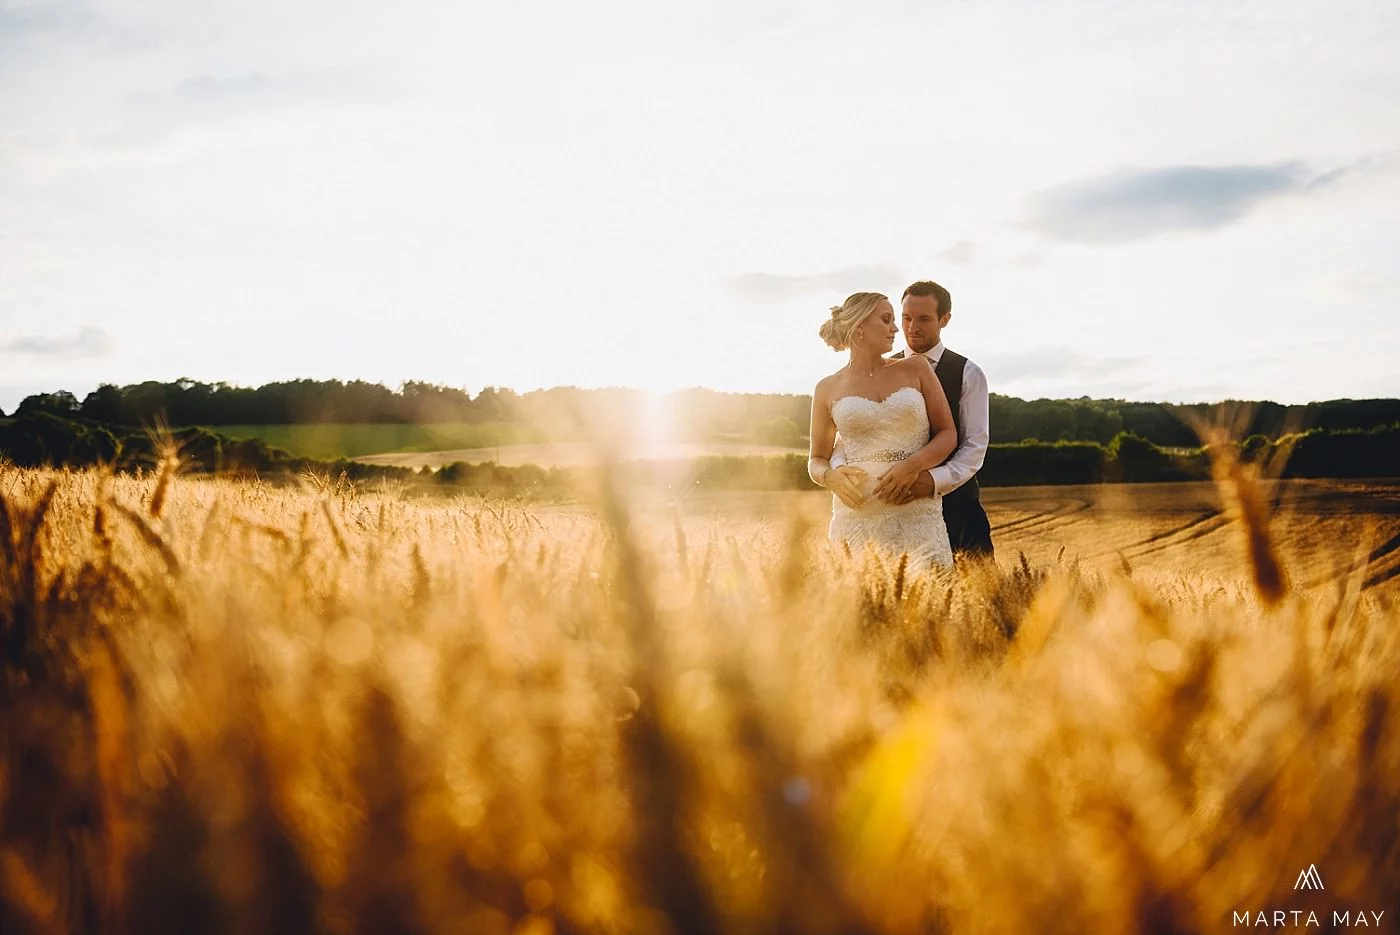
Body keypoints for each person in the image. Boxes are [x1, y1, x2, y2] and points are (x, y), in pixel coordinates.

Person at [808, 292, 959, 569]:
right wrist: (830, 476)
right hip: (855, 514)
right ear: (859, 327)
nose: (896, 329)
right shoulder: (827, 388)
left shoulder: (916, 368)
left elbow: (947, 434)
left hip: (915, 513)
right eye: (886, 320)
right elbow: (816, 459)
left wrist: (912, 466)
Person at [871, 280, 994, 558]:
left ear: (945, 319)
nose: (913, 327)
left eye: (924, 319)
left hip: (959, 511)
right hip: (896, 511)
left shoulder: (968, 373)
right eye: (906, 318)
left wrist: (932, 481)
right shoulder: (881, 368)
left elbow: (975, 445)